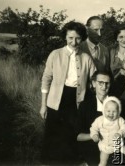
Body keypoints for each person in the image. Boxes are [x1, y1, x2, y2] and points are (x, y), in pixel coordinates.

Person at [39, 21, 96, 164]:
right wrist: (43, 105)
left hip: (76, 100)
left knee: (71, 133)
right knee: (52, 133)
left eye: (77, 38)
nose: (74, 42)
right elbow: (46, 79)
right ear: (65, 37)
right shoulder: (55, 54)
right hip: (56, 99)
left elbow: (94, 79)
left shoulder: (86, 58)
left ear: (82, 38)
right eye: (70, 38)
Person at [77, 70, 111, 165]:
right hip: (92, 148)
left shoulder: (116, 103)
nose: (104, 87)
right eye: (100, 83)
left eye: (107, 83)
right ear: (93, 83)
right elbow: (78, 136)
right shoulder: (85, 105)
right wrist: (94, 135)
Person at [90, 96, 125, 166]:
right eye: (108, 111)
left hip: (119, 145)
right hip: (106, 145)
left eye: (114, 111)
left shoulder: (120, 119)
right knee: (103, 161)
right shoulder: (99, 120)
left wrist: (120, 133)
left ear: (118, 112)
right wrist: (94, 135)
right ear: (104, 110)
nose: (111, 114)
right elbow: (93, 128)